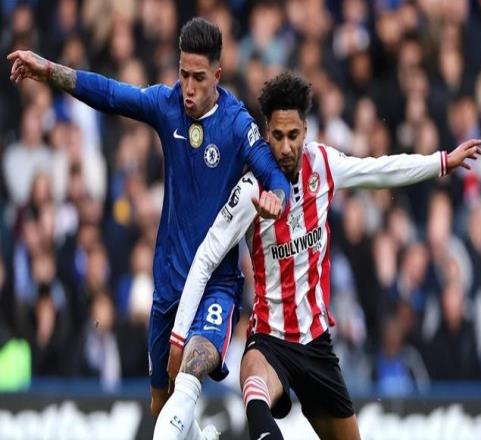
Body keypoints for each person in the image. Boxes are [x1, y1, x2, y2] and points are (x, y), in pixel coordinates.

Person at [8, 17, 290, 440]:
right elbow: (109, 93)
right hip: (169, 284)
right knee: (162, 405)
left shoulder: (237, 124)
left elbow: (276, 176)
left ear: (217, 74)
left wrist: (276, 199)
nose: (189, 88)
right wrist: (48, 70)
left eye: (199, 78)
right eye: (183, 74)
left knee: (192, 369)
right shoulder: (166, 104)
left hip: (216, 285)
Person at [167, 71, 481, 440]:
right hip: (270, 339)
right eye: (278, 136)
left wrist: (441, 162)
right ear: (266, 133)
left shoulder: (322, 164)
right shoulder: (251, 188)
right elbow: (206, 257)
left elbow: (380, 170)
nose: (286, 147)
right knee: (253, 376)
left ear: (306, 130)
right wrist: (178, 338)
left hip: (317, 345)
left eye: (294, 135)